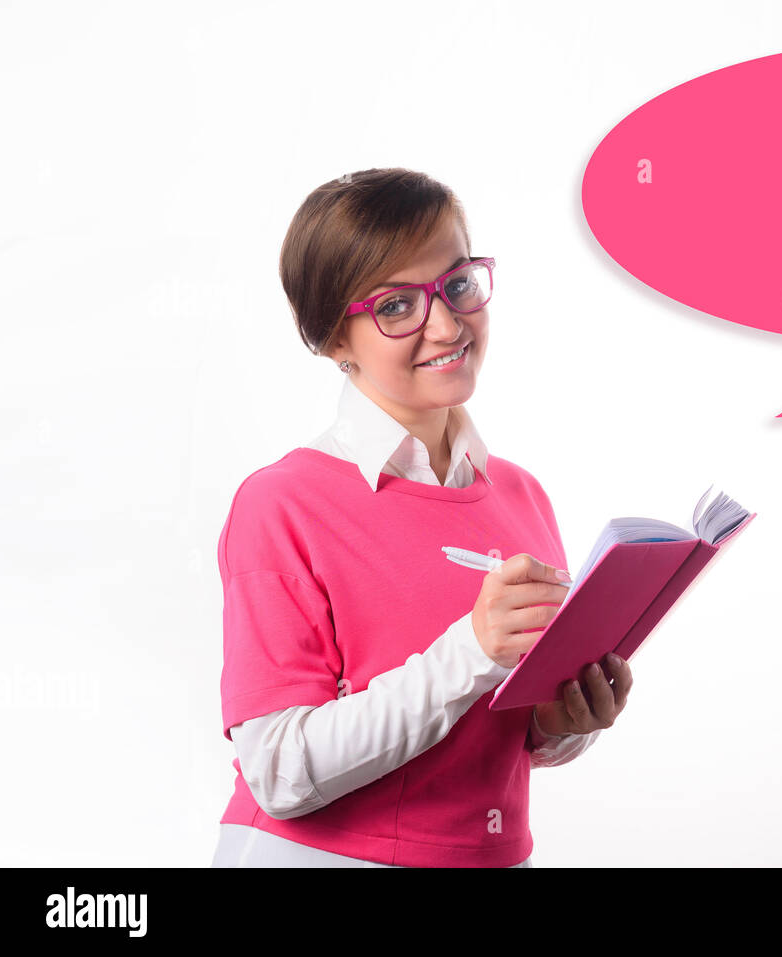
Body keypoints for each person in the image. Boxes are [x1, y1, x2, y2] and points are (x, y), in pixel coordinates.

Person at [211, 168, 631, 868]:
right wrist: (472, 648)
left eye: (457, 284)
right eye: (397, 305)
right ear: (332, 338)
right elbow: (278, 770)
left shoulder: (520, 496)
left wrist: (563, 724)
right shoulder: (281, 503)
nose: (445, 324)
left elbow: (498, 735)